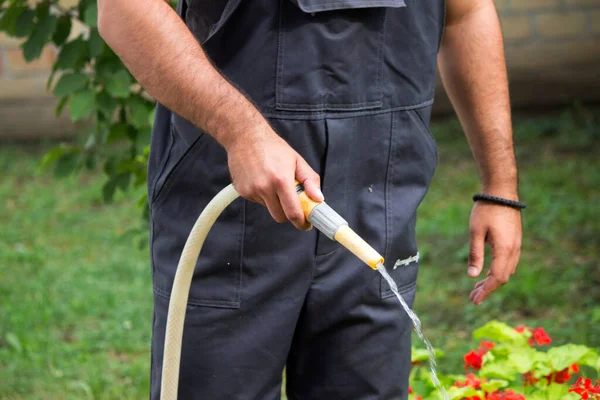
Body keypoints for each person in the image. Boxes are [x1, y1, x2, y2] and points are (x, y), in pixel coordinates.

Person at [98, 0, 523, 398]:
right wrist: (241, 132)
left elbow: (467, 12)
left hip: (380, 204)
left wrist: (500, 187)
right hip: (234, 201)